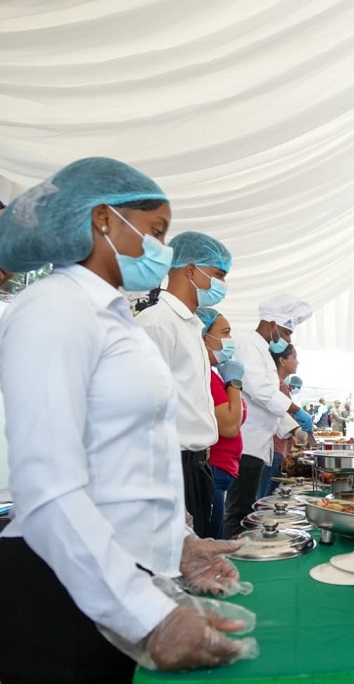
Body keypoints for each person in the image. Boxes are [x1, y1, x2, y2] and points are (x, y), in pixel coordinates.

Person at [0, 157, 252, 680]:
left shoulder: (113, 317)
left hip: (116, 569)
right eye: (156, 231)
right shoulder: (54, 309)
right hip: (68, 581)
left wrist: (177, 545)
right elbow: (48, 489)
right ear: (103, 220)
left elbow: (130, 456)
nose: (162, 249)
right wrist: (151, 617)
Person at [136, 230, 232, 538]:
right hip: (170, 468)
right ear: (190, 270)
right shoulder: (156, 323)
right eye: (218, 274)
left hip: (197, 466)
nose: (222, 284)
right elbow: (141, 412)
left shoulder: (190, 326)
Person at [222, 295, 314, 539]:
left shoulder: (261, 350)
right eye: (286, 332)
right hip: (247, 443)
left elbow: (269, 404)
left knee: (246, 508)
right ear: (272, 324)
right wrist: (296, 410)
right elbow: (261, 391)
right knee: (238, 510)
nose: (288, 339)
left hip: (257, 443)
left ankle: (237, 549)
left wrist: (295, 428)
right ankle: (230, 555)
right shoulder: (249, 346)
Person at [196, 307, 246, 540]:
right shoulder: (206, 376)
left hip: (221, 471)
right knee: (212, 542)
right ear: (204, 337)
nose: (230, 340)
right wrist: (234, 383)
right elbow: (229, 427)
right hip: (213, 469)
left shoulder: (213, 375)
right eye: (225, 333)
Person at [258, 343, 300, 499]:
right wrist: (297, 432)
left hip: (277, 449)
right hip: (274, 449)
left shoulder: (281, 384)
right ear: (282, 360)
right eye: (294, 357)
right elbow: (280, 416)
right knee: (264, 499)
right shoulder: (278, 386)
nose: (297, 362)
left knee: (266, 496)